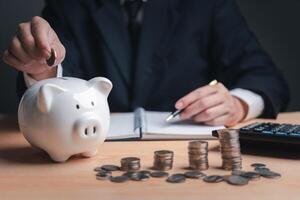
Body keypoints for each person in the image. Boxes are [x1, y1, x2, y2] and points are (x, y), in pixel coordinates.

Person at [3, 0, 289, 126]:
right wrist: (43, 70)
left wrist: (237, 106)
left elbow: (266, 79)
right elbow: (58, 72)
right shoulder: (70, 4)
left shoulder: (207, 3)